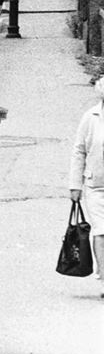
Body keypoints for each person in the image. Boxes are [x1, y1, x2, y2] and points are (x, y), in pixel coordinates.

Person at [68, 75, 104, 289]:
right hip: (96, 186)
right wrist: (75, 185)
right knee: (101, 231)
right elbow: (79, 150)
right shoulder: (90, 117)